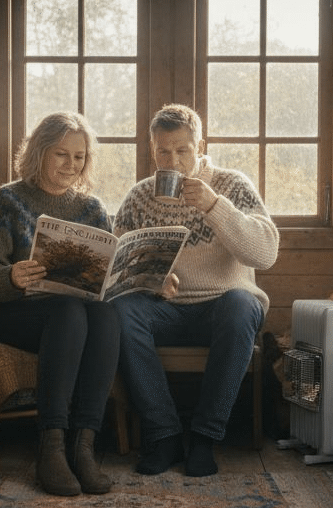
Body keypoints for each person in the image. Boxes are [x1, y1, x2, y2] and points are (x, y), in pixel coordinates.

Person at [113, 103, 279, 477]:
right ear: (152, 149)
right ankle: (164, 435)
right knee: (121, 312)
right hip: (164, 310)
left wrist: (214, 206)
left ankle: (205, 438)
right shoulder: (139, 196)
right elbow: (117, 266)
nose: (172, 161)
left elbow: (265, 253)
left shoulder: (232, 185)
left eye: (182, 150)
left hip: (223, 307)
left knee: (240, 306)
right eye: (162, 151)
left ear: (199, 146)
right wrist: (151, 280)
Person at [0, 112, 120, 496]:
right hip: (8, 310)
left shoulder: (92, 209)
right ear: (39, 152)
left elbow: (106, 274)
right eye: (61, 154)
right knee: (67, 311)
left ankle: (83, 445)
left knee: (104, 313)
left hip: (69, 315)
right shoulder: (8, 200)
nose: (71, 165)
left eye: (79, 157)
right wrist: (11, 276)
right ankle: (50, 447)